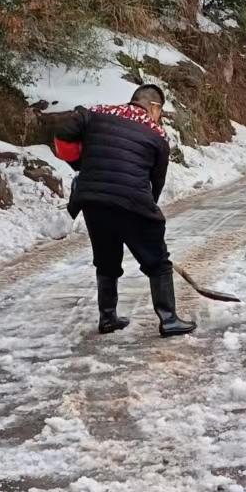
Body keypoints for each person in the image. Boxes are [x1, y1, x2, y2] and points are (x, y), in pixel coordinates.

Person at [52, 84, 192, 337]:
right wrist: (149, 218)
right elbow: (155, 184)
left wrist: (79, 164)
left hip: (93, 200)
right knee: (158, 263)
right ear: (154, 107)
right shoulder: (156, 134)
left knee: (106, 260)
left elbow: (63, 131)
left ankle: (107, 318)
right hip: (133, 201)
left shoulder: (97, 112)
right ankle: (169, 319)